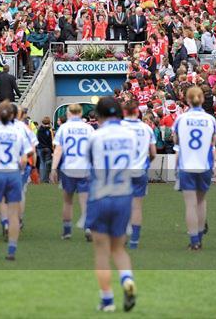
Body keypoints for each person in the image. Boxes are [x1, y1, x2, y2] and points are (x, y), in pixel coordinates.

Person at [85, 96, 137, 312]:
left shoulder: (96, 137)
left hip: (101, 195)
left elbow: (90, 166)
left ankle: (107, 300)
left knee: (101, 251)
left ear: (99, 115)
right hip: (123, 196)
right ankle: (126, 279)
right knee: (119, 248)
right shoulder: (131, 135)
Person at [0, 101, 32, 260]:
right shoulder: (19, 132)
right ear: (12, 115)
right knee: (13, 213)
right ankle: (11, 249)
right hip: (13, 173)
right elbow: (25, 159)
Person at [173, 87, 216, 250]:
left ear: (187, 100)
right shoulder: (210, 119)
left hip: (187, 165)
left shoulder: (181, 119)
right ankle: (199, 236)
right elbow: (212, 143)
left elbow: (176, 140)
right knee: (201, 202)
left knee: (190, 204)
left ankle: (194, 242)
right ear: (202, 100)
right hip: (204, 165)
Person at [50, 104, 95, 241]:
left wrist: (53, 168)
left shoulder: (63, 128)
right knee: (85, 201)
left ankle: (67, 231)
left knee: (68, 201)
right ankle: (88, 227)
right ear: (81, 113)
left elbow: (58, 150)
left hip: (68, 168)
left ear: (69, 113)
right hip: (85, 167)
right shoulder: (89, 128)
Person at [121, 100, 156, 249]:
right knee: (137, 206)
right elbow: (153, 152)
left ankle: (121, 236)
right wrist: (147, 161)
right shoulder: (146, 128)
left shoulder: (118, 127)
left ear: (124, 112)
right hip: (140, 170)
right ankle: (134, 239)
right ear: (137, 111)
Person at [36, 116, 53, 183]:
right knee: (47, 164)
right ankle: (46, 179)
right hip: (48, 148)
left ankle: (42, 178)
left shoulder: (39, 130)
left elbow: (38, 138)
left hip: (40, 148)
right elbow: (50, 140)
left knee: (42, 163)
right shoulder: (49, 130)